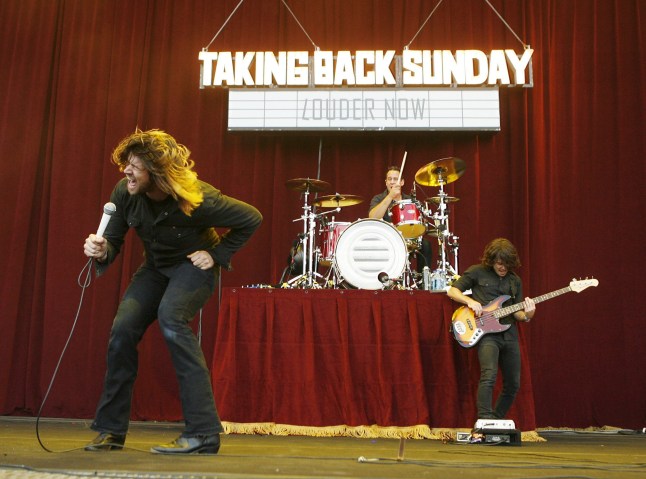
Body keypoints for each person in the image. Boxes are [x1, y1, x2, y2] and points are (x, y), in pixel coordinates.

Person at [82, 129, 262, 454]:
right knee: (122, 329)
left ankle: (203, 433)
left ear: (157, 172)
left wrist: (217, 254)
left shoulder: (197, 198)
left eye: (135, 165)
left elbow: (251, 217)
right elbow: (115, 241)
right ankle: (110, 431)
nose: (126, 171)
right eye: (126, 163)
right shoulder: (126, 192)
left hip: (192, 267)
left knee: (171, 320)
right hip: (155, 268)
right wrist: (102, 249)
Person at [446, 238, 535, 421]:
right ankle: (484, 419)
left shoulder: (514, 281)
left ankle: (495, 420)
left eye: (507, 264)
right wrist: (470, 301)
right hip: (487, 334)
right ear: (492, 259)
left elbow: (518, 313)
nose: (503, 268)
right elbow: (452, 291)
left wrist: (528, 314)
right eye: (499, 263)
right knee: (489, 375)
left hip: (509, 333)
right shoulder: (477, 272)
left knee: (513, 383)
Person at [369, 165, 433, 273]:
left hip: (408, 237)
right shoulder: (378, 199)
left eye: (395, 179)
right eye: (390, 179)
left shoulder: (410, 200)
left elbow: (420, 221)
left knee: (425, 245)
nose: (392, 182)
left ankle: (423, 281)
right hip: (387, 239)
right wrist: (390, 197)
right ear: (386, 182)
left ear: (402, 182)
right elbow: (372, 217)